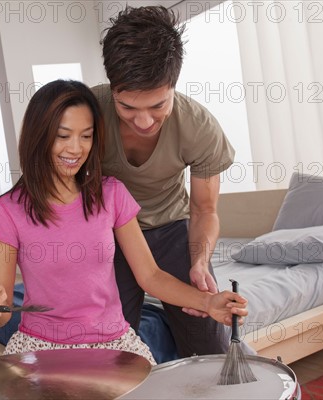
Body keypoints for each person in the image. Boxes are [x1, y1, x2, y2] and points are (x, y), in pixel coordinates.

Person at [0, 79, 247, 365]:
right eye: (63, 136)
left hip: (114, 342)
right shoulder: (7, 211)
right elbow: (1, 314)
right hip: (41, 346)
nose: (76, 149)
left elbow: (150, 276)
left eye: (86, 136)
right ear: (38, 136)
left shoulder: (112, 194)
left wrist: (208, 302)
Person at [93, 5, 236, 358]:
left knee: (209, 340)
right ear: (112, 90)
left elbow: (204, 209)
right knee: (113, 344)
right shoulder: (88, 114)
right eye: (128, 108)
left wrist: (200, 261)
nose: (143, 121)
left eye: (158, 105)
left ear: (173, 85)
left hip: (173, 229)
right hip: (110, 235)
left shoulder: (199, 127)